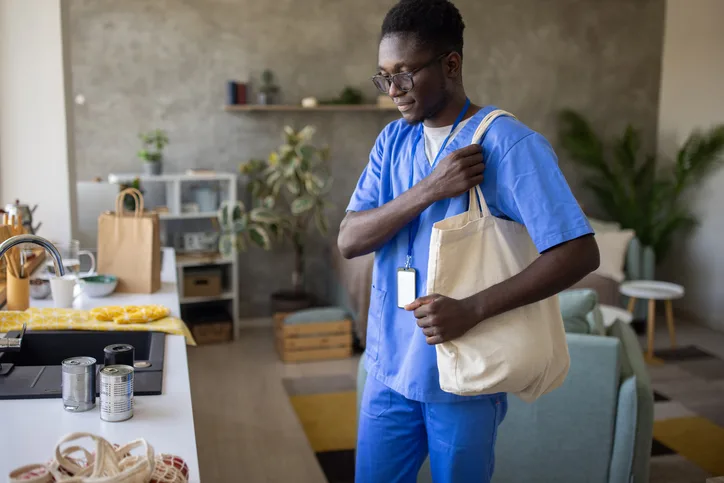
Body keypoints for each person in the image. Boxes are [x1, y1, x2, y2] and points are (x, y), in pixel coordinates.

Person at [338, 0, 600, 481]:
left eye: (405, 74)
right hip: (388, 367)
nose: (393, 91)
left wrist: (472, 309)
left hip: (464, 375)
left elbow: (579, 251)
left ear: (451, 64)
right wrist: (429, 190)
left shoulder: (508, 144)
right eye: (384, 76)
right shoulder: (393, 141)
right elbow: (350, 239)